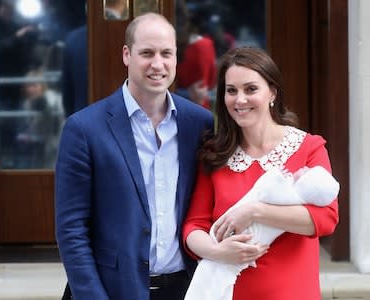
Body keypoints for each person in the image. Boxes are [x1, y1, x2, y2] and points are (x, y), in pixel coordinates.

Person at [55, 12, 214, 300]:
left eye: (166, 53)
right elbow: (71, 229)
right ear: (127, 55)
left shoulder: (200, 124)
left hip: (186, 288)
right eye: (147, 53)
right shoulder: (84, 128)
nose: (158, 64)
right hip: (112, 290)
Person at [182, 47, 339, 300]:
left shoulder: (309, 147)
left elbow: (326, 219)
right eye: (231, 91)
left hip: (292, 293)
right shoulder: (214, 154)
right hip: (229, 293)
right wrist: (217, 251)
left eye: (250, 89)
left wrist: (254, 211)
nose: (240, 99)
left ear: (272, 92)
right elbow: (194, 226)